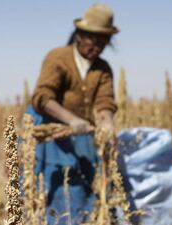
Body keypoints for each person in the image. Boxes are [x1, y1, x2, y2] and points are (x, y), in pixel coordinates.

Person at [26, 4, 119, 225]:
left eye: (103, 41)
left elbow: (105, 102)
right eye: (92, 39)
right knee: (62, 188)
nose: (96, 46)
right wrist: (72, 119)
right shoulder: (59, 57)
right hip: (51, 131)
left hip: (82, 133)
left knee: (96, 184)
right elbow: (43, 97)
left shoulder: (103, 69)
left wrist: (106, 122)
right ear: (79, 35)